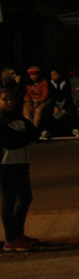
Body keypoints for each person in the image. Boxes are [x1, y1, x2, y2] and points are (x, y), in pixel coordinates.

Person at [1, 88, 40, 251]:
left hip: (22, 163)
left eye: (11, 99)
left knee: (25, 198)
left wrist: (22, 138)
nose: (10, 102)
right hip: (6, 165)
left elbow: (34, 133)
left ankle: (18, 233)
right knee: (9, 201)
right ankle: (10, 239)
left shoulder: (17, 117)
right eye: (5, 99)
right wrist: (24, 137)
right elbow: (9, 141)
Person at [22, 66, 50, 140]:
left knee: (38, 110)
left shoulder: (43, 82)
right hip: (31, 100)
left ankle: (34, 131)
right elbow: (27, 94)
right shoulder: (27, 83)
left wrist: (38, 102)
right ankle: (31, 130)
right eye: (32, 75)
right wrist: (30, 101)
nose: (34, 76)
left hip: (41, 100)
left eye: (35, 74)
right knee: (26, 110)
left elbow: (45, 95)